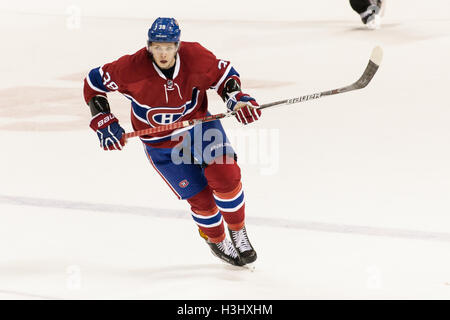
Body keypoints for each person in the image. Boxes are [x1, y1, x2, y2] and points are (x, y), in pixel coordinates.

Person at [83, 17, 261, 267]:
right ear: (149, 46)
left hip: (199, 126)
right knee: (202, 200)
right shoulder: (130, 69)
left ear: (178, 45)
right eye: (157, 46)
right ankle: (216, 239)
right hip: (161, 142)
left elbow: (224, 76)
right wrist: (103, 119)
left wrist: (236, 99)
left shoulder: (196, 56)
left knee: (226, 177)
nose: (163, 53)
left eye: (168, 46)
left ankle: (238, 231)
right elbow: (93, 83)